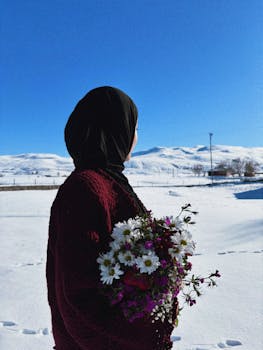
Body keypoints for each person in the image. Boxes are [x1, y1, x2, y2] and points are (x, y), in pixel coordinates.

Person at [46, 86, 177, 350]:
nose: (136, 137)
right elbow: (79, 296)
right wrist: (144, 332)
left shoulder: (108, 180)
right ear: (115, 129)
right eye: (135, 127)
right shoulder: (85, 188)